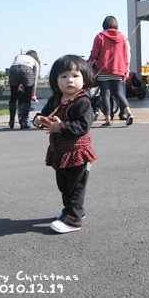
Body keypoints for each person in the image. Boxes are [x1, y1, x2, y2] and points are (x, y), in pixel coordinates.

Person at [32, 55, 97, 234]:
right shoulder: (55, 99)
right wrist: (38, 120)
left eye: (75, 76)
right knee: (64, 185)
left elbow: (83, 126)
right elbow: (44, 115)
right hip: (59, 151)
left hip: (78, 152)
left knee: (76, 187)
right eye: (64, 76)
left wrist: (60, 126)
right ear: (55, 80)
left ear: (84, 79)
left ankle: (74, 220)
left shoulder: (83, 102)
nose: (69, 80)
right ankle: (73, 210)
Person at [89, 16, 134, 127]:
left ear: (104, 25)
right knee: (118, 93)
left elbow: (94, 54)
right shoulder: (122, 37)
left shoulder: (100, 36)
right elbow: (126, 54)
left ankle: (108, 120)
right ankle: (129, 113)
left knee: (105, 94)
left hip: (103, 69)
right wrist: (126, 69)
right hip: (118, 70)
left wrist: (90, 61)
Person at [8, 50, 40, 129]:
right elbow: (35, 80)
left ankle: (11, 120)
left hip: (13, 69)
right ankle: (24, 121)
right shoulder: (35, 62)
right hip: (27, 70)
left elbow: (17, 65)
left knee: (13, 97)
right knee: (27, 99)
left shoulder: (18, 56)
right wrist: (33, 94)